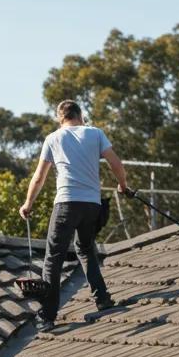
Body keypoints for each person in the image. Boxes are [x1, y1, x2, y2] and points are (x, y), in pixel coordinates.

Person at [19, 100, 130, 331]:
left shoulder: (53, 138)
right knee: (86, 248)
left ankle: (48, 316)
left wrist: (28, 203)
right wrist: (122, 185)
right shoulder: (95, 133)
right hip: (92, 204)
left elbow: (39, 177)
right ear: (81, 115)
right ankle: (103, 299)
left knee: (54, 257)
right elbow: (115, 163)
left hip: (66, 204)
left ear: (60, 118)